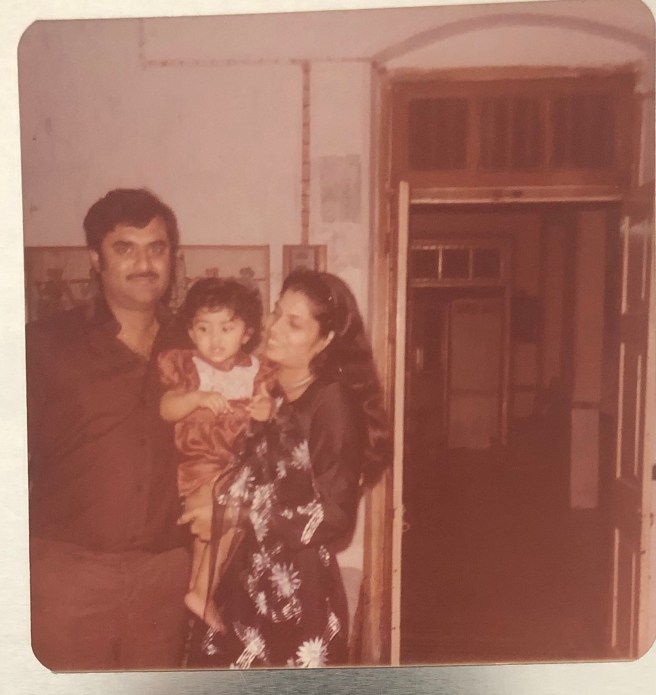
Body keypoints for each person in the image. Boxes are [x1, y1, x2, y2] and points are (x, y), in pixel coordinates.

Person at [182, 269, 390, 669]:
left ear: (325, 340)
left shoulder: (331, 401)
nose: (273, 327)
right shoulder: (272, 392)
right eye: (277, 313)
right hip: (247, 580)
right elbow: (251, 476)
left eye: (293, 323)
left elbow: (336, 515)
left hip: (297, 594)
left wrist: (236, 516)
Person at [26, 188, 191, 671]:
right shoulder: (45, 345)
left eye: (156, 248)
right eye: (125, 248)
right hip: (69, 577)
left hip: (165, 577)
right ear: (95, 259)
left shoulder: (197, 345)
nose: (144, 263)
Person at [158, 277, 274, 631]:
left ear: (246, 332)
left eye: (227, 328)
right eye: (204, 328)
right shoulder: (187, 366)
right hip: (202, 466)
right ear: (191, 332)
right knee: (218, 522)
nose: (215, 338)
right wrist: (195, 399)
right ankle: (201, 593)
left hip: (241, 467)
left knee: (216, 534)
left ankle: (199, 591)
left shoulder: (257, 370)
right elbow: (166, 408)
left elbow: (271, 410)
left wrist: (266, 409)